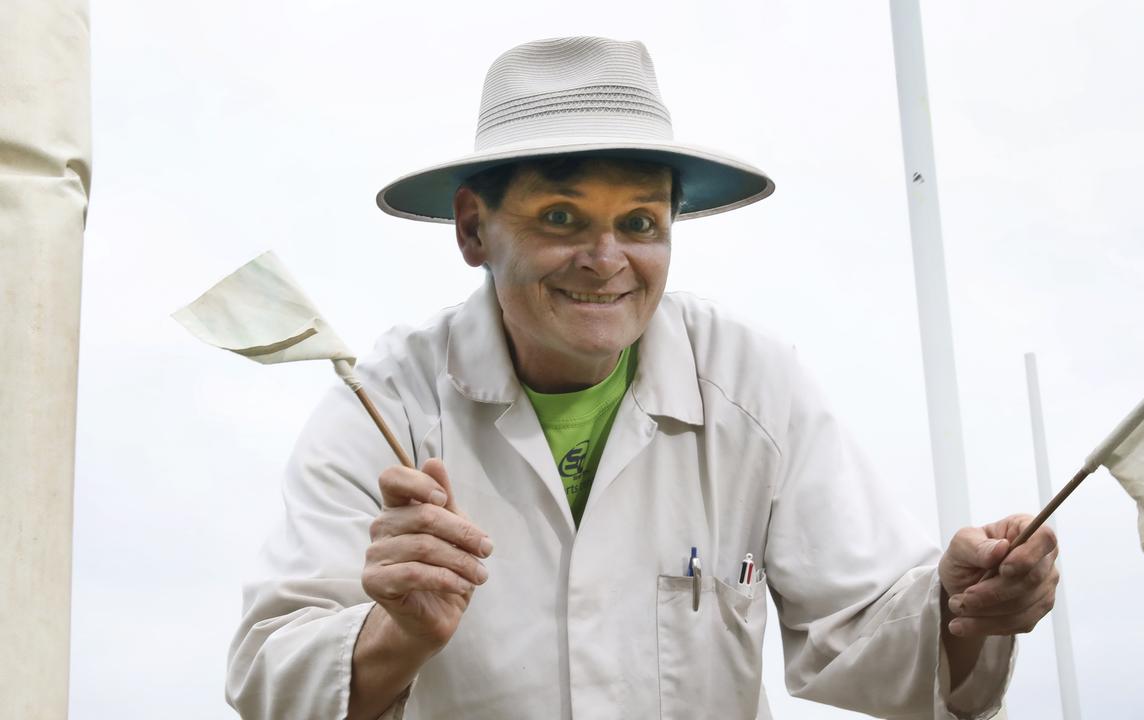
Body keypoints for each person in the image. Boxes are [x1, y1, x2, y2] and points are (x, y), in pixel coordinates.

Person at [226, 36, 1058, 720]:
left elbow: (870, 631)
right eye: (560, 218)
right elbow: (268, 677)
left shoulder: (751, 382)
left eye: (639, 222)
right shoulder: (385, 406)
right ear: (474, 228)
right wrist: (396, 634)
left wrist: (962, 609)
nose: (606, 260)